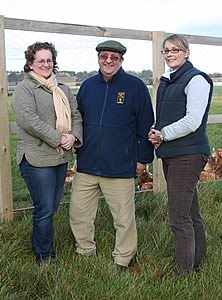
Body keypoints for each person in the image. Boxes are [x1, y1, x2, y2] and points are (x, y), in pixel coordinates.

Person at [69, 40, 154, 270]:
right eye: (104, 56)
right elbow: (79, 121)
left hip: (120, 166)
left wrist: (142, 159)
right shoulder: (87, 86)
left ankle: (123, 259)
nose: (108, 61)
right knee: (79, 213)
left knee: (124, 219)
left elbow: (146, 125)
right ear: (98, 58)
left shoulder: (135, 87)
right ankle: (85, 250)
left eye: (114, 58)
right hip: (87, 164)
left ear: (121, 61)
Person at [12, 42, 83, 265]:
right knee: (44, 209)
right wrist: (59, 138)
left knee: (51, 207)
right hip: (36, 158)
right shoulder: (25, 89)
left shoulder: (61, 88)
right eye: (40, 60)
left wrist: (74, 137)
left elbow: (76, 115)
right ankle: (44, 257)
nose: (46, 64)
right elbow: (29, 121)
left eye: (49, 60)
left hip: (60, 157)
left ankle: (41, 246)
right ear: (30, 64)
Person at [148, 34, 213, 275]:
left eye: (175, 50)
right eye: (166, 50)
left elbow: (192, 121)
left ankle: (183, 272)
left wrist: (162, 134)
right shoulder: (169, 80)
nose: (169, 54)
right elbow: (167, 116)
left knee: (178, 217)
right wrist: (157, 132)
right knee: (189, 212)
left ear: (186, 52)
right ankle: (198, 260)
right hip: (173, 154)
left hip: (189, 155)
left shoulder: (196, 80)